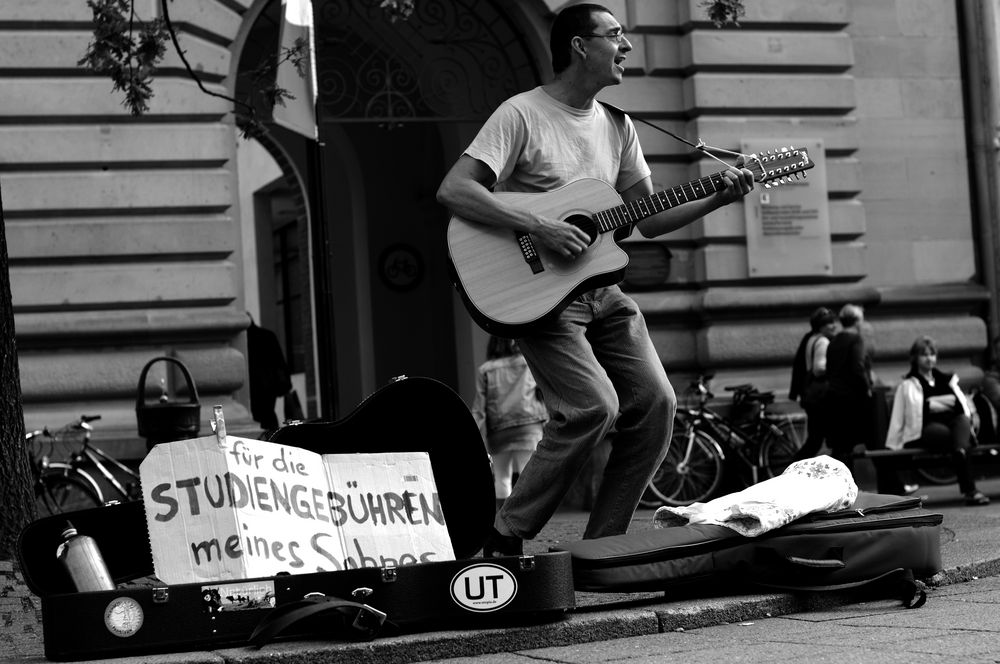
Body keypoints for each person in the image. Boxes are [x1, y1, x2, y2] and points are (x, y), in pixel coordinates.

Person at [436, 3, 755, 556]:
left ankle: (603, 546)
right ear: (580, 46)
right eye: (615, 35)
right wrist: (540, 224)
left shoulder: (619, 124)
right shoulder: (522, 114)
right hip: (543, 297)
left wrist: (715, 195)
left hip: (604, 289)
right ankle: (505, 534)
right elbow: (455, 190)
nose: (626, 46)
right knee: (593, 408)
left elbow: (647, 219)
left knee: (656, 403)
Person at [885, 336, 990, 505]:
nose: (929, 358)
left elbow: (961, 406)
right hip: (926, 428)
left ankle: (962, 460)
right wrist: (893, 444)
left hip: (955, 423)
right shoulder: (908, 385)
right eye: (924, 354)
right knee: (957, 442)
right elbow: (898, 416)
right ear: (915, 358)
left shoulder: (947, 380)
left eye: (932, 354)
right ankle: (970, 490)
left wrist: (933, 404)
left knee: (962, 421)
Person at [471, 336, 548, 511]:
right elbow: (544, 391)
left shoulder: (485, 370)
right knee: (527, 475)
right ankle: (528, 516)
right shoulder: (529, 363)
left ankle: (504, 519)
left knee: (501, 477)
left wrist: (472, 433)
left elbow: (479, 408)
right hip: (529, 427)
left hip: (498, 431)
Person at [788, 307, 838, 461]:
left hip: (811, 395)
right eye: (829, 323)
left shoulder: (810, 338)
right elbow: (819, 369)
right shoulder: (822, 341)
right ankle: (794, 468)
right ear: (821, 326)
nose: (833, 326)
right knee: (820, 440)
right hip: (820, 398)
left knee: (817, 439)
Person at [246, 316, 293, 432]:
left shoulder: (244, 340)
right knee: (269, 417)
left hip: (254, 389)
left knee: (260, 419)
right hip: (269, 389)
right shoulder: (267, 335)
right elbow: (280, 364)